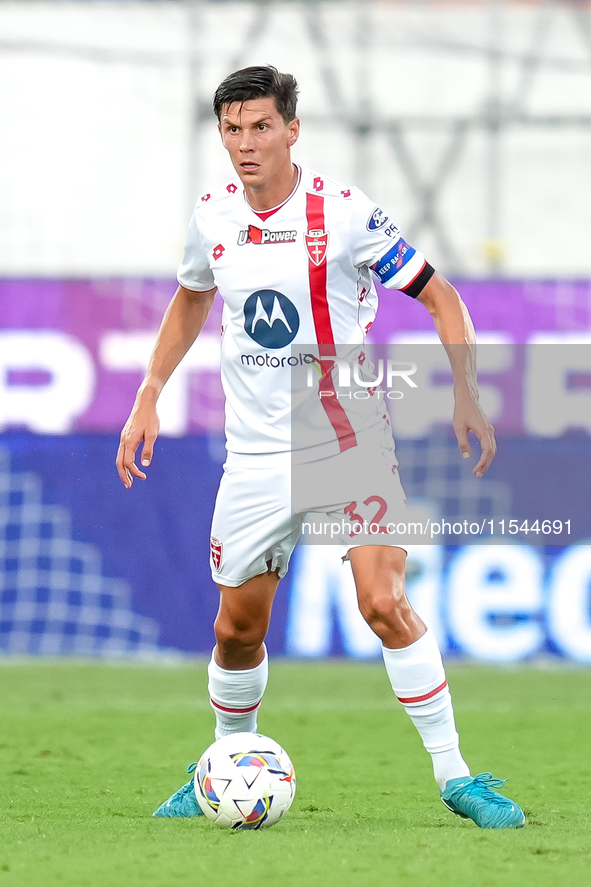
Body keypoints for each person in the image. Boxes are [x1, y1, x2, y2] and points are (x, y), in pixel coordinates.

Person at [116, 65, 524, 829]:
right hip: (255, 454)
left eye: (261, 126)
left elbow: (439, 294)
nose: (245, 144)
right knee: (236, 629)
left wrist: (466, 388)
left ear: (292, 129)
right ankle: (221, 766)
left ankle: (455, 777)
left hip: (348, 437)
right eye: (232, 129)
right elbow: (191, 295)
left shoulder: (342, 214)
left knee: (382, 601)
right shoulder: (212, 216)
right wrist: (148, 392)